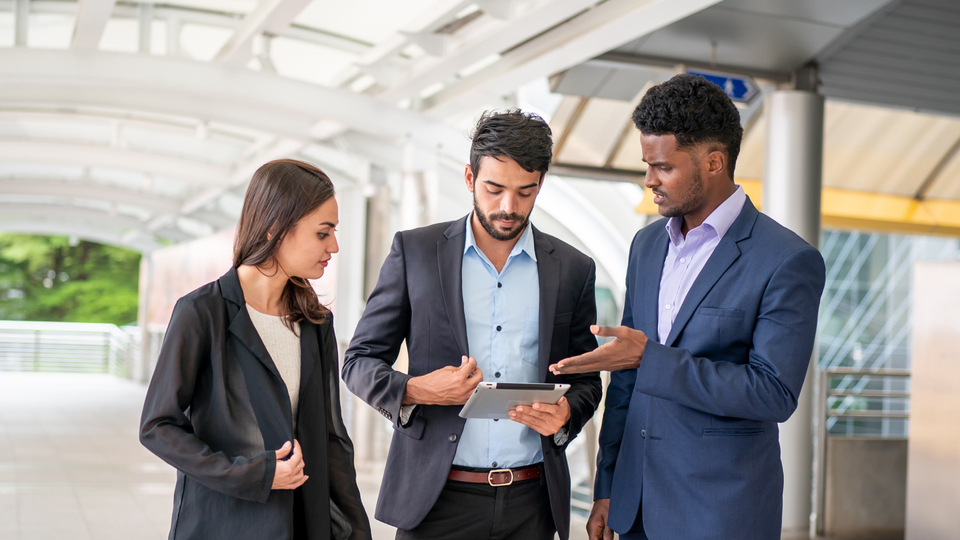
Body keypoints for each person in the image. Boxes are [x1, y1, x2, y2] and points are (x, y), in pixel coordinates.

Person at [551, 74, 827, 540]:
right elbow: (625, 384)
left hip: (719, 513)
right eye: (646, 164)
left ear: (714, 162)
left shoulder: (787, 260)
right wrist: (608, 485)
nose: (648, 180)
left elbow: (773, 393)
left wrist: (650, 359)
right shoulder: (646, 245)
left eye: (663, 167)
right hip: (634, 508)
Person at [341, 110, 603, 540]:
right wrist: (418, 389)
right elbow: (358, 361)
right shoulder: (416, 252)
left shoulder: (573, 269)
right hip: (436, 501)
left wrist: (567, 414)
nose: (508, 207)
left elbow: (587, 380)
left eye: (525, 192)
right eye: (494, 188)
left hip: (531, 505)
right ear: (468, 178)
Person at [140, 159, 371, 540]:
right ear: (275, 229)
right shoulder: (202, 312)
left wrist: (357, 530)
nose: (334, 245)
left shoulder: (314, 322)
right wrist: (254, 474)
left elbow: (330, 439)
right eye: (322, 233)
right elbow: (157, 426)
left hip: (302, 522)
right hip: (222, 522)